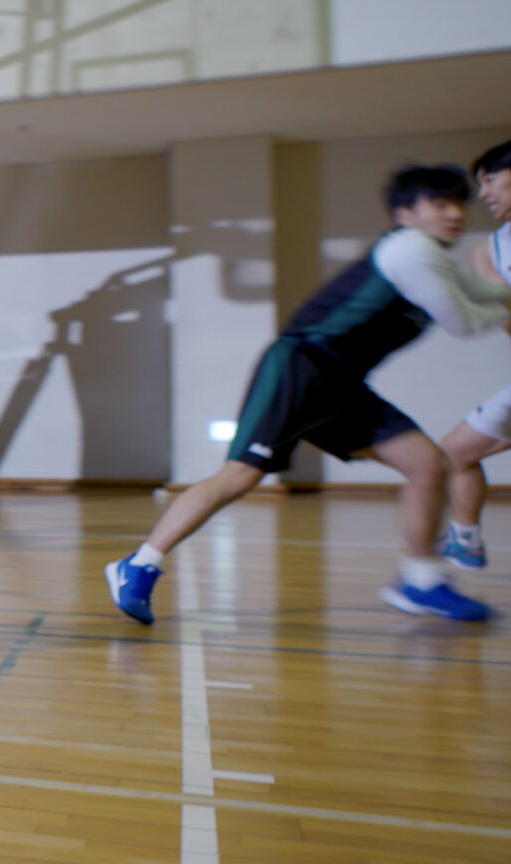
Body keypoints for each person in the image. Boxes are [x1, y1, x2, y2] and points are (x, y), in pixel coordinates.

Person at [104, 165, 511, 624]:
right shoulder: (410, 250)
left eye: (460, 204)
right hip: (301, 368)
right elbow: (463, 320)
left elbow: (480, 289)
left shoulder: (432, 260)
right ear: (405, 213)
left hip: (340, 384)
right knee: (239, 476)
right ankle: (137, 565)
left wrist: (502, 290)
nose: (455, 214)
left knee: (429, 465)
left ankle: (420, 581)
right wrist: (501, 297)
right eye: (441, 204)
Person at [437, 140, 511, 570]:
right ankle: (465, 542)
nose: (483, 194)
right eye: (479, 185)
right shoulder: (491, 250)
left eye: (491, 180)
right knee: (454, 453)